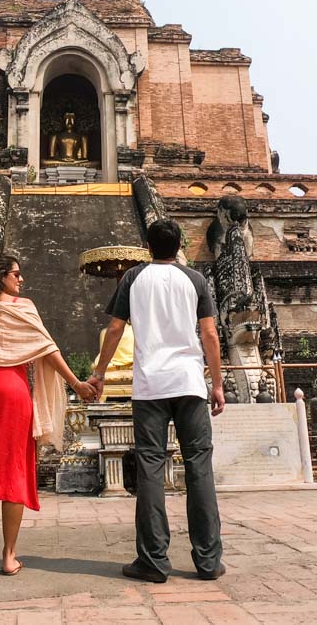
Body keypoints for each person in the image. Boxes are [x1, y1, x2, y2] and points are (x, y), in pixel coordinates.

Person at [0, 252, 99, 592]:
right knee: (14, 469)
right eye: (16, 274)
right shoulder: (23, 307)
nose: (21, 280)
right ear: (0, 276)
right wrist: (77, 384)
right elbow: (47, 349)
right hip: (13, 390)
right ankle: (9, 556)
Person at [88, 219, 226, 584]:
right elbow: (209, 333)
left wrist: (100, 372)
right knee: (199, 468)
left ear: (147, 247)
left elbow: (116, 329)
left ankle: (153, 560)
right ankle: (208, 560)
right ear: (180, 243)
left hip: (150, 385)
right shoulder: (195, 279)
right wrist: (217, 382)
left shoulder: (133, 278)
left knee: (150, 468)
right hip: (189, 383)